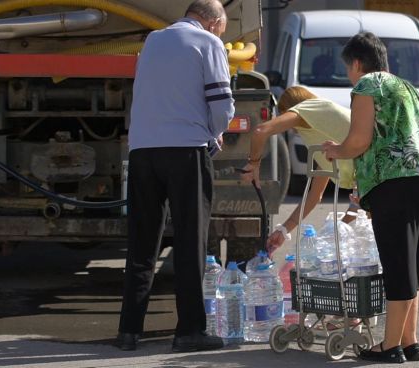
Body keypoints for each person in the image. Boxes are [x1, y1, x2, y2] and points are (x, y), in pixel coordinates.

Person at [322, 32, 419, 364]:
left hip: (397, 183)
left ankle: (389, 345)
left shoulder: (366, 85)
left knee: (397, 266)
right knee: (411, 265)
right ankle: (410, 341)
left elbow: (359, 141)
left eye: (348, 68)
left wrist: (335, 150)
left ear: (357, 63)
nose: (349, 76)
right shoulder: (406, 87)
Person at [116, 0, 234, 352]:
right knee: (189, 242)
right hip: (185, 151)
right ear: (213, 24)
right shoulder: (209, 43)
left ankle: (128, 331)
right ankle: (190, 331)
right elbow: (223, 105)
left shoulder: (153, 40)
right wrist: (215, 135)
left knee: (142, 243)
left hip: (142, 152)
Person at [240, 86, 357, 255]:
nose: (291, 129)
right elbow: (315, 195)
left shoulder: (308, 109)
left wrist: (254, 164)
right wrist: (283, 230)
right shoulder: (324, 129)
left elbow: (260, 131)